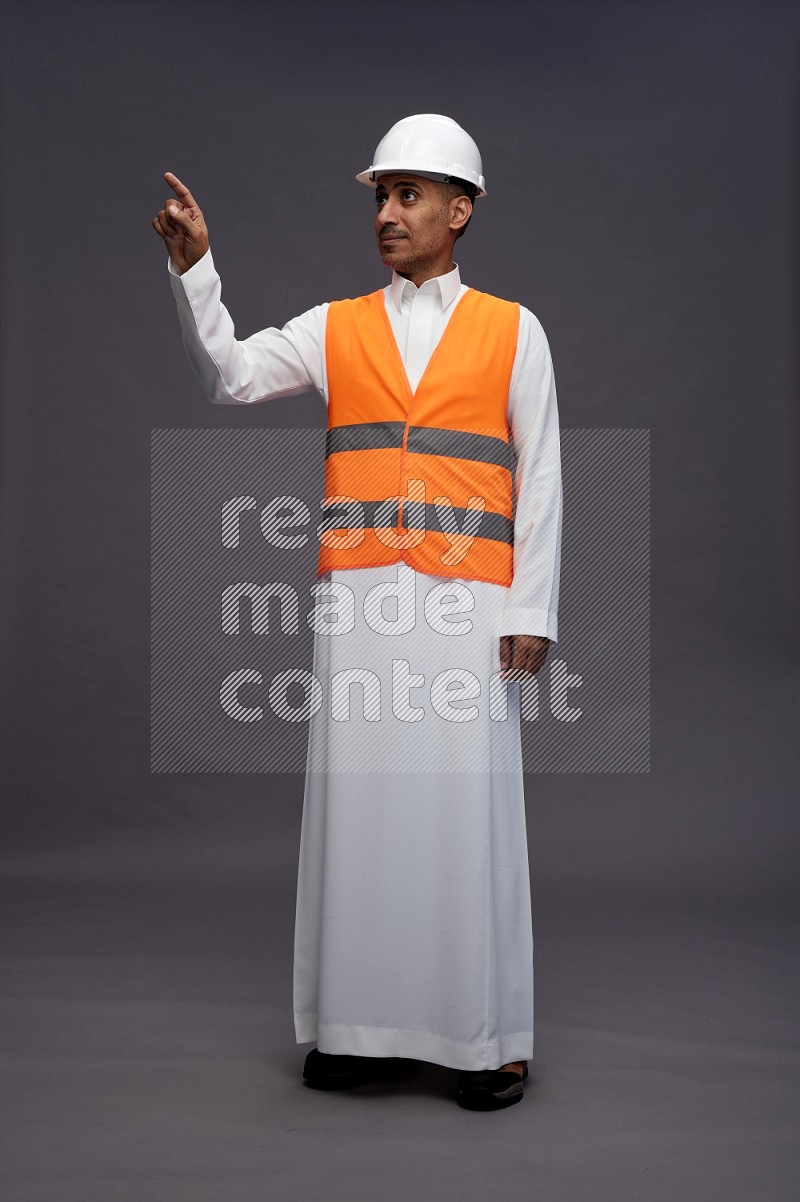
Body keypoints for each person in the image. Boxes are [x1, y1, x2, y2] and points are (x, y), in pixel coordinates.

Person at [153, 114, 562, 1111]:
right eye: (379, 195)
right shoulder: (335, 326)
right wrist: (197, 274)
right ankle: (352, 1031)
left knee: (465, 814)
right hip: (363, 599)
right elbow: (235, 374)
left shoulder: (515, 329)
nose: (386, 213)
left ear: (458, 211)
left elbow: (542, 471)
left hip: (470, 604)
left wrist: (533, 607)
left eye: (408, 194)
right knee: (362, 810)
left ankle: (485, 1038)